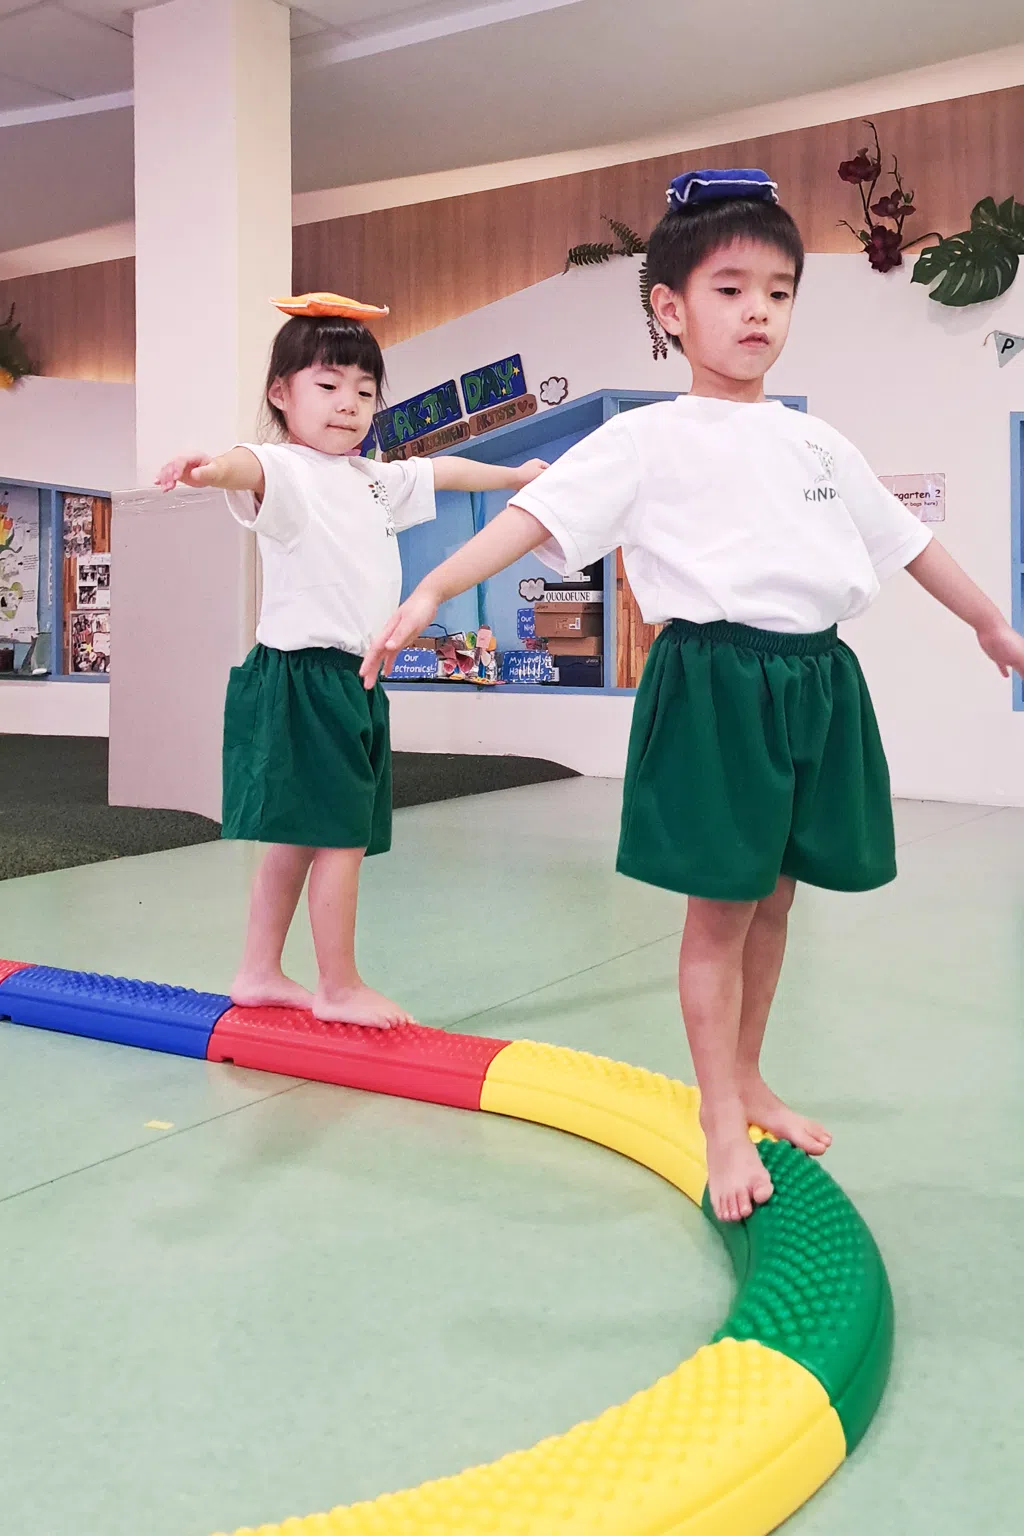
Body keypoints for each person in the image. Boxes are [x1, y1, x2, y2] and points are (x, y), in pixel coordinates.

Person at [360, 172, 1024, 1220]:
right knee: (720, 907)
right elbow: (533, 520)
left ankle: (749, 1077)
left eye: (779, 292)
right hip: (714, 682)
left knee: (777, 896)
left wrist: (989, 622)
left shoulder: (818, 442)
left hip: (816, 680)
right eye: (730, 289)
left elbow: (907, 543)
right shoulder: (644, 439)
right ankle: (718, 1114)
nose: (758, 311)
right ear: (670, 308)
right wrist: (434, 587)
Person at [157, 296, 546, 1028]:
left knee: (302, 837)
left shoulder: (372, 478)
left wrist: (515, 477)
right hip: (305, 675)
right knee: (341, 836)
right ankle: (337, 986)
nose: (349, 405)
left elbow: (444, 472)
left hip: (352, 679)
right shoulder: (286, 469)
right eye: (329, 385)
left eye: (365, 392)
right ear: (282, 393)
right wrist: (207, 469)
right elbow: (245, 464)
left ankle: (258, 971)